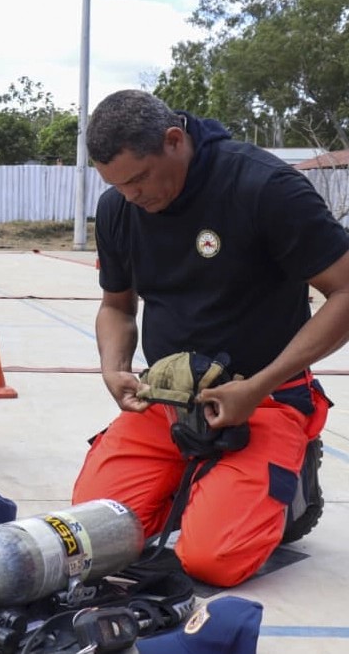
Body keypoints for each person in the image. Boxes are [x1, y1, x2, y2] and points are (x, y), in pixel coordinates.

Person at [72, 89, 349, 587]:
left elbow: (346, 291)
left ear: (174, 141)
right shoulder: (119, 208)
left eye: (137, 180)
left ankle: (292, 484)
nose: (131, 197)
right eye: (117, 186)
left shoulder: (263, 187)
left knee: (211, 560)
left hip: (260, 400)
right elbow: (116, 307)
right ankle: (202, 481)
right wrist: (113, 366)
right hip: (167, 401)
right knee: (96, 534)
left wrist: (259, 386)